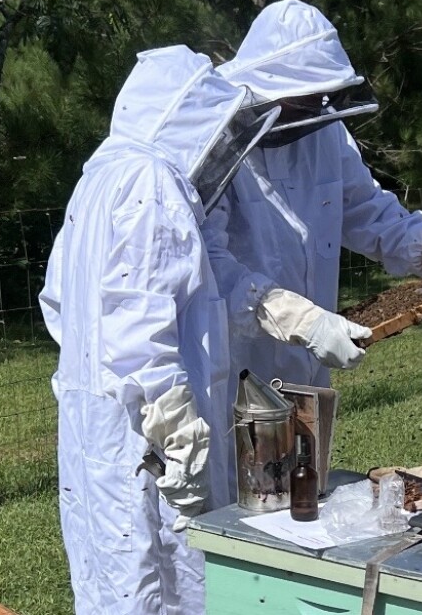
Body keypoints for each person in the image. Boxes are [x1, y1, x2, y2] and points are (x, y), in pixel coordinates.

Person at [39, 46, 278, 613]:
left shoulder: (97, 178)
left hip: (97, 429)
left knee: (112, 580)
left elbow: (58, 303)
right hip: (149, 441)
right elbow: (140, 327)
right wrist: (176, 429)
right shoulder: (151, 179)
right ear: (185, 115)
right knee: (169, 577)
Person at [202, 0, 422, 449]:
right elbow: (210, 266)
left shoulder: (325, 132)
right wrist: (299, 319)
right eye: (303, 101)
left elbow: (369, 211)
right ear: (269, 86)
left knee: (303, 493)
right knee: (243, 504)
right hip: (233, 369)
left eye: (319, 98)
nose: (314, 111)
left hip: (308, 370)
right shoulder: (216, 144)